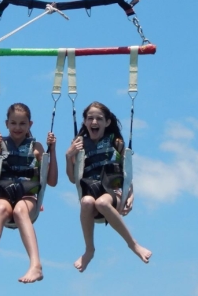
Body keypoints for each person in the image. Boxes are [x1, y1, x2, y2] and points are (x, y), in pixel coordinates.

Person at [0, 103, 58, 283]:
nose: (17, 127)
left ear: (30, 124)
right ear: (6, 124)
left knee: (20, 210)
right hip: (5, 195)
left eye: (22, 123)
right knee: (0, 208)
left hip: (27, 198)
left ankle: (36, 265)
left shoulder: (36, 147)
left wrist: (52, 150)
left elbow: (51, 181)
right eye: (13, 123)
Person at [64, 101, 152, 272]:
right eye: (90, 118)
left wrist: (131, 194)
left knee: (102, 203)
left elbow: (126, 172)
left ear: (107, 122)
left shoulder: (116, 142)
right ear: (85, 122)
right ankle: (89, 250)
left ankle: (133, 244)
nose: (94, 122)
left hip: (113, 192)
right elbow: (73, 179)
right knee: (87, 202)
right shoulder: (79, 145)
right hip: (91, 190)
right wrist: (69, 156)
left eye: (99, 119)